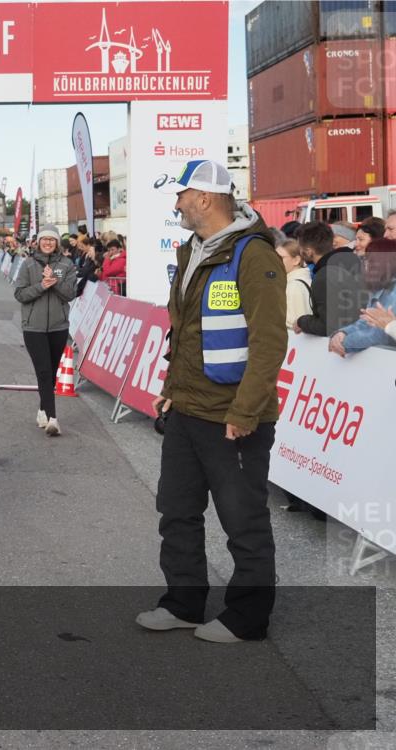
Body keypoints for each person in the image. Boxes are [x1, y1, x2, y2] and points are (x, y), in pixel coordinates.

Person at [138, 159, 286, 643]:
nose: (176, 203)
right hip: (187, 408)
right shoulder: (194, 250)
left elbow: (268, 343)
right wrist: (170, 389)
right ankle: (183, 603)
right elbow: (187, 331)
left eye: (181, 194)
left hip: (233, 417)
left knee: (243, 518)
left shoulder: (252, 254)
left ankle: (248, 618)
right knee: (176, 510)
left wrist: (245, 412)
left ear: (204, 197)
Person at [13, 225, 77, 437]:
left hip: (59, 327)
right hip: (34, 328)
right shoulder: (28, 264)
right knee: (43, 371)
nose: (48, 243)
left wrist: (54, 283)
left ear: (57, 243)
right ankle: (52, 418)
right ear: (38, 242)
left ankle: (42, 410)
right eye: (44, 239)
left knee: (50, 372)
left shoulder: (67, 265)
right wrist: (42, 285)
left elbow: (70, 295)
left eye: (52, 239)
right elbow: (20, 294)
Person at [293, 221, 363, 337]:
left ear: (309, 251)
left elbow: (328, 326)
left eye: (301, 248)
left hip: (343, 347)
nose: (300, 252)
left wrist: (302, 321)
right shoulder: (348, 265)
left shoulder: (324, 276)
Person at [328, 238, 396, 356]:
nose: (364, 263)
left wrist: (345, 342)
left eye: (368, 259)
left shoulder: (393, 292)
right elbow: (365, 321)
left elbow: (381, 334)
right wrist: (342, 333)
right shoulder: (381, 288)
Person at [274, 239, 312, 330]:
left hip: (293, 341)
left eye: (280, 258)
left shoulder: (294, 286)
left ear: (296, 260)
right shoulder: (303, 280)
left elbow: (294, 323)